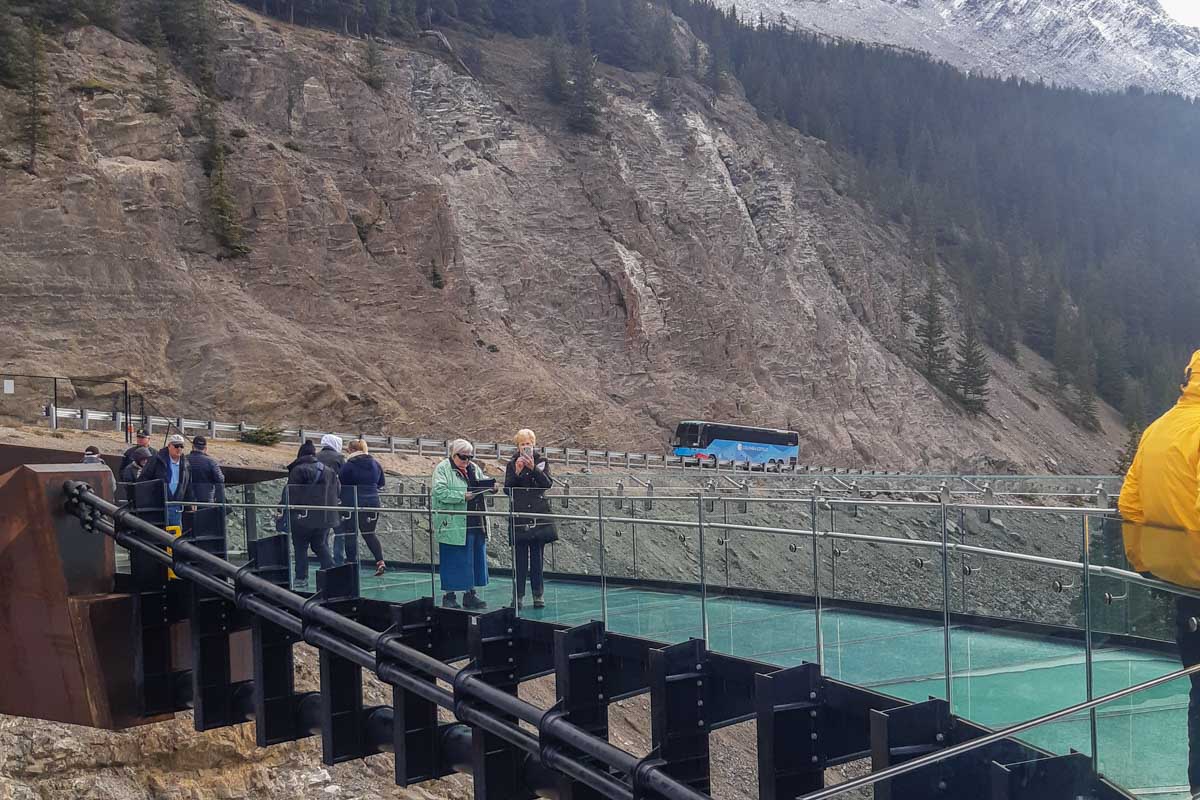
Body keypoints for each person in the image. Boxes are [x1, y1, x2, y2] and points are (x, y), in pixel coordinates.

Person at [1119, 349, 1200, 799]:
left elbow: (1129, 503)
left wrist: (1143, 562)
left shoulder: (1159, 428)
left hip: (1183, 589)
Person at [433, 439, 494, 609]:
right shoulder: (443, 468)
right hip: (453, 522)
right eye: (463, 457)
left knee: (473, 557)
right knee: (452, 557)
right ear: (453, 455)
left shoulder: (473, 468)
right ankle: (449, 595)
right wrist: (462, 496)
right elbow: (439, 492)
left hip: (474, 520)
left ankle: (470, 593)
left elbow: (483, 481)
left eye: (470, 456)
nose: (467, 460)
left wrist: (491, 486)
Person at [504, 428, 557, 609]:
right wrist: (518, 472)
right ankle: (518, 596)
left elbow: (547, 484)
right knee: (519, 560)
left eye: (528, 444)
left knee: (537, 558)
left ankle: (538, 595)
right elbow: (507, 489)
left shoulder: (542, 461)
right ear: (517, 446)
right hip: (519, 515)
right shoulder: (512, 463)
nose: (525, 447)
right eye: (522, 444)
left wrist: (533, 468)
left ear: (533, 444)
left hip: (537, 515)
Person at [283, 440, 338, 588]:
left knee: (300, 547)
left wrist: (286, 510)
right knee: (320, 544)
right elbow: (337, 492)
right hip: (326, 517)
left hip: (303, 517)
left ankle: (301, 578)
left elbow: (291, 494)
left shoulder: (298, 470)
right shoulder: (329, 471)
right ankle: (332, 572)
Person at [338, 439, 387, 576]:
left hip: (353, 502)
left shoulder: (349, 465)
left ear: (352, 450)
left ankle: (351, 565)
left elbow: (341, 482)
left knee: (351, 533)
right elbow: (381, 483)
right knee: (369, 533)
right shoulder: (376, 464)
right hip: (373, 502)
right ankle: (380, 561)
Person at [137, 433, 192, 529]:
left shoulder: (186, 464)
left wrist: (191, 501)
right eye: (176, 446)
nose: (179, 449)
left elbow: (188, 485)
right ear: (169, 446)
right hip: (158, 504)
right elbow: (143, 479)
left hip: (176, 506)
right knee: (158, 533)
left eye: (181, 446)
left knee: (174, 535)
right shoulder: (156, 460)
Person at [187, 435, 226, 505]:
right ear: (205, 448)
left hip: (186, 501)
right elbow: (220, 479)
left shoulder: (183, 460)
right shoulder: (211, 462)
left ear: (193, 447)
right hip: (206, 500)